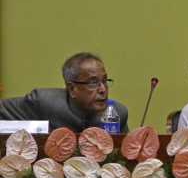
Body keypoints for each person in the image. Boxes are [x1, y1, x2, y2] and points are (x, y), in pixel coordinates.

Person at [0, 52, 129, 133]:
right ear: (72, 89)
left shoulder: (117, 112)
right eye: (93, 83)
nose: (103, 89)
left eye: (105, 81)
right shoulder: (43, 102)